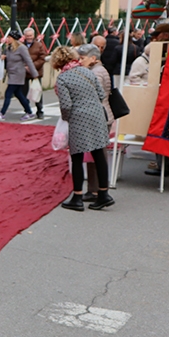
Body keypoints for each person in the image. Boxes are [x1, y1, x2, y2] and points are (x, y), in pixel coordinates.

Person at [53, 46, 114, 211]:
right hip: (97, 115)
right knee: (99, 155)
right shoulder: (87, 72)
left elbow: (66, 105)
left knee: (77, 158)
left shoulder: (63, 78)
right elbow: (101, 94)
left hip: (78, 118)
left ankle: (77, 197)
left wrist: (66, 119)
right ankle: (103, 194)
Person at [76, 43, 114, 197]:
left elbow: (93, 95)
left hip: (98, 116)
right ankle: (96, 189)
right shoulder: (98, 70)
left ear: (93, 58)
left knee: (97, 155)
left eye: (82, 58)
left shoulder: (96, 72)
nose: (80, 61)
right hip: (102, 114)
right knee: (96, 154)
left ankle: (97, 189)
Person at [0, 31, 38, 121]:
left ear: (14, 39)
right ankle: (29, 112)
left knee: (8, 93)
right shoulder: (8, 48)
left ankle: (2, 113)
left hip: (18, 74)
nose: (7, 39)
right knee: (18, 94)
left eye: (9, 37)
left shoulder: (22, 48)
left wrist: (35, 74)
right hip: (11, 73)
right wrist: (2, 58)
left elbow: (28, 61)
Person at [23, 27, 49, 118]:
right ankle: (27, 110)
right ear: (24, 36)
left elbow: (42, 58)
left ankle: (40, 110)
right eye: (27, 35)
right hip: (25, 72)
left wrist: (32, 66)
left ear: (33, 35)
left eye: (30, 35)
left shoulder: (39, 45)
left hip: (36, 73)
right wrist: (25, 66)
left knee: (37, 92)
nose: (29, 37)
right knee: (24, 93)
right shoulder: (21, 45)